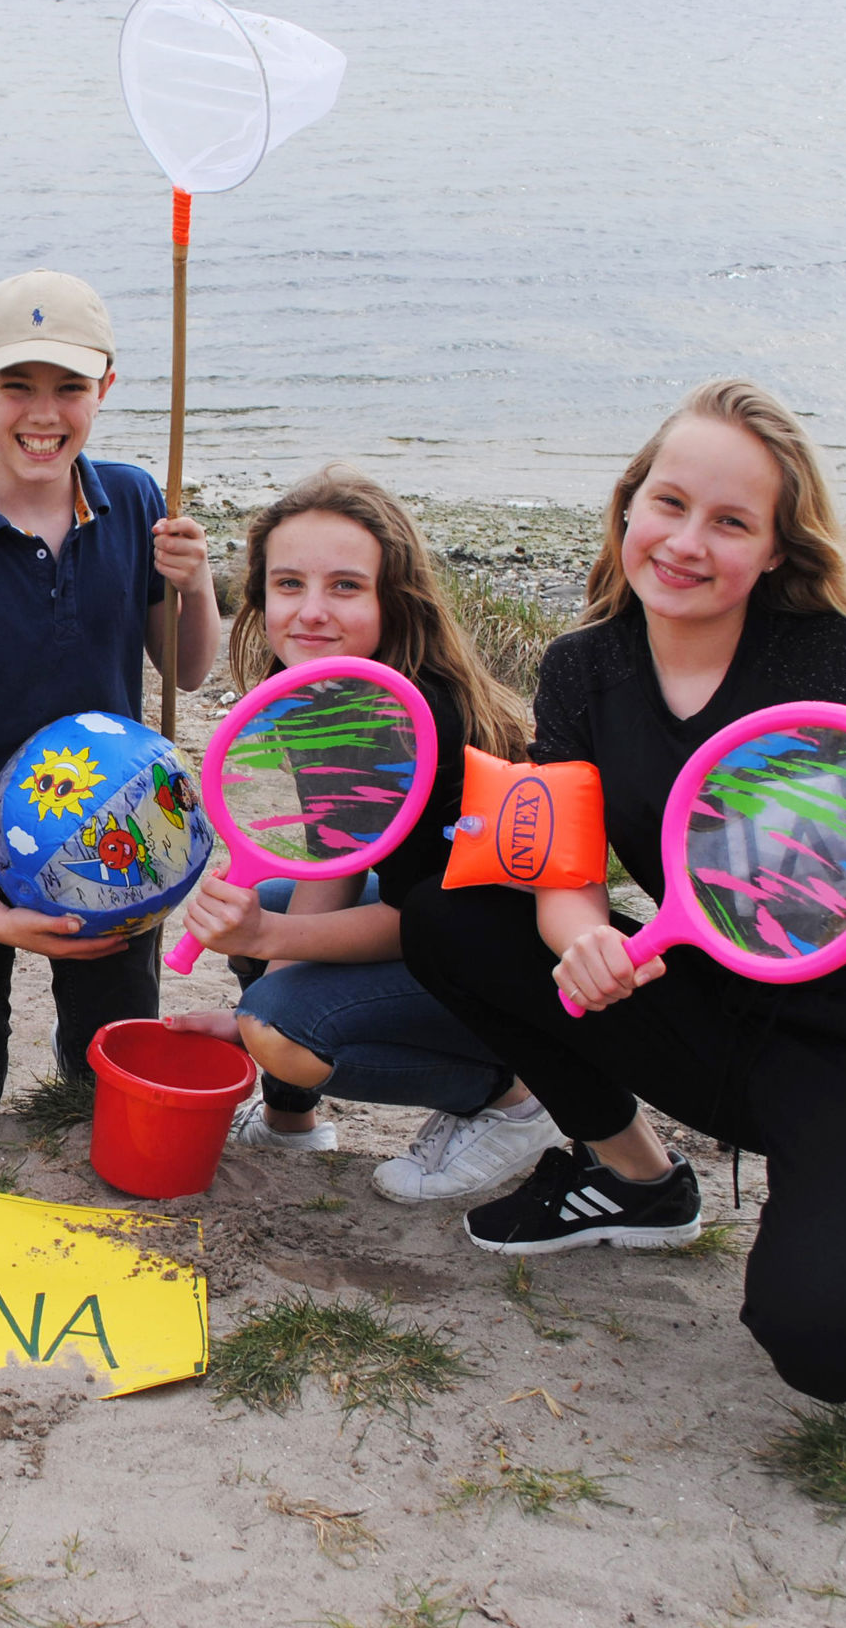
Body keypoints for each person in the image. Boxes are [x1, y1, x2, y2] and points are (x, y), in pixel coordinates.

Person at [401, 378, 846, 1403]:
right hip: (726, 1018)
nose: (686, 542)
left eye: (730, 522)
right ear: (629, 505)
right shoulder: (584, 668)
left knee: (827, 1343)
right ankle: (635, 1181)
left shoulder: (844, 665)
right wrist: (581, 940)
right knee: (451, 918)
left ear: (774, 549)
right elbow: (562, 876)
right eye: (669, 503)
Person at [166, 464, 565, 1203]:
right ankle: (291, 1122)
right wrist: (265, 961)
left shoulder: (419, 721)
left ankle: (512, 1103)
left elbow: (433, 921)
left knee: (279, 1008)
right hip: (440, 933)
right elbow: (337, 864)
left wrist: (263, 979)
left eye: (345, 586)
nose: (311, 612)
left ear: (393, 599)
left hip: (515, 972)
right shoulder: (327, 694)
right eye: (289, 584)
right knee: (275, 911)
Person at [0, 269, 221, 1116]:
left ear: (106, 387)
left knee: (107, 1070)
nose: (43, 413)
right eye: (16, 386)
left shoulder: (135, 502)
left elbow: (186, 671)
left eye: (69, 386)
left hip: (117, 839)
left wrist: (199, 583)